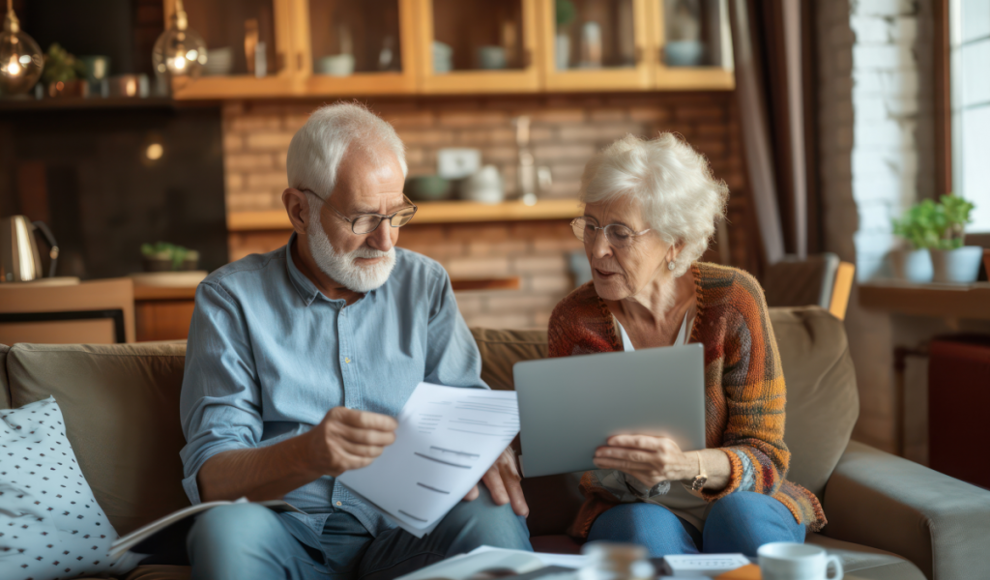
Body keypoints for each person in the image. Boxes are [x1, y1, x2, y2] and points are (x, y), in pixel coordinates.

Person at [179, 103, 531, 580]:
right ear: (299, 210)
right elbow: (214, 476)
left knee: (494, 513)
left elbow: (463, 409)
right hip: (283, 531)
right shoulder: (230, 299)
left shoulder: (423, 284)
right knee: (225, 531)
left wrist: (488, 446)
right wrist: (308, 454)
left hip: (406, 532)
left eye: (397, 214)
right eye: (363, 219)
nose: (386, 241)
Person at [547, 133, 826, 557]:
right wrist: (638, 475)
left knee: (740, 519)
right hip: (633, 505)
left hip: (735, 498)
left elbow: (766, 455)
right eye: (590, 226)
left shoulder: (734, 300)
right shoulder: (574, 320)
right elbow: (581, 467)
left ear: (673, 243)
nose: (597, 248)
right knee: (646, 532)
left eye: (620, 232)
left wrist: (686, 466)